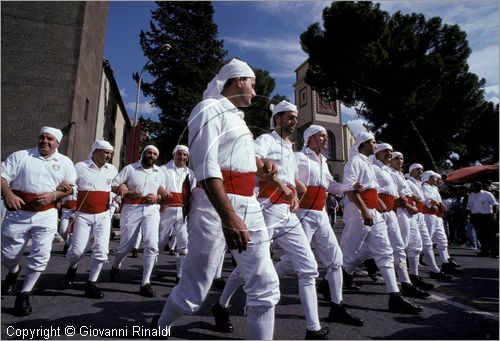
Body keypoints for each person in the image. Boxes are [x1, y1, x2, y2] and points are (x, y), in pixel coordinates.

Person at [153, 58, 280, 340]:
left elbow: (238, 161)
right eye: (253, 84)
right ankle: (159, 327)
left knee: (266, 284)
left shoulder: (238, 119)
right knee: (194, 292)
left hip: (249, 204)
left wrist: (263, 167)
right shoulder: (208, 109)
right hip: (214, 206)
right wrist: (228, 215)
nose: (254, 91)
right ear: (238, 80)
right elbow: (206, 166)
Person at [214, 101, 330, 339]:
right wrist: (278, 184)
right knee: (250, 266)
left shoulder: (290, 148)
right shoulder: (265, 141)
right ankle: (221, 305)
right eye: (289, 117)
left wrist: (296, 191)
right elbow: (254, 164)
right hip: (265, 212)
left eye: (295, 117)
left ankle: (313, 329)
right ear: (277, 119)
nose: (294, 121)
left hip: (287, 215)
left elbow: (291, 177)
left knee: (309, 268)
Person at [340, 132, 422, 314]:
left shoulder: (368, 164)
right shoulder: (354, 162)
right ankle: (330, 284)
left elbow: (374, 191)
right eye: (373, 142)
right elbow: (351, 190)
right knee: (349, 254)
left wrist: (376, 206)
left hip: (374, 213)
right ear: (363, 143)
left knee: (385, 251)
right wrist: (365, 210)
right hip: (360, 212)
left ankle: (395, 296)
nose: (375, 144)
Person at [1, 126, 77, 316]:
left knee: (41, 253)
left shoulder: (65, 162)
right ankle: (14, 270)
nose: (45, 141)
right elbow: (2, 177)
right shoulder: (21, 156)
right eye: (42, 137)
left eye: (49, 139)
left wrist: (55, 194)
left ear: (57, 143)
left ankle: (25, 293)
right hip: (18, 213)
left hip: (46, 214)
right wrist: (8, 194)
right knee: (7, 255)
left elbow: (70, 188)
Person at [109, 145, 167, 297]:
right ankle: (116, 265)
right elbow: (114, 185)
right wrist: (126, 190)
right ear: (143, 154)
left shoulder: (159, 172)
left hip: (151, 210)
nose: (151, 155)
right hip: (131, 209)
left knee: (152, 245)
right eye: (149, 152)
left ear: (156, 157)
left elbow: (161, 191)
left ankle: (145, 283)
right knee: (126, 245)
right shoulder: (130, 169)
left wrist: (158, 197)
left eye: (154, 153)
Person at [371, 145, 429, 298]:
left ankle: (408, 280)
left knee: (408, 245)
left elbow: (399, 193)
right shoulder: (377, 169)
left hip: (401, 212)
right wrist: (404, 203)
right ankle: (362, 265)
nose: (397, 159)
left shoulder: (395, 174)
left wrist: (407, 202)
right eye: (396, 157)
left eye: (400, 158)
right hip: (391, 212)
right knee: (386, 248)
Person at [63, 140, 118, 299]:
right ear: (95, 151)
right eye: (105, 152)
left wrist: (119, 193)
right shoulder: (80, 167)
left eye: (110, 153)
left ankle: (92, 283)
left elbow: (115, 187)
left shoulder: (112, 169)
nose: (108, 155)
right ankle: (73, 266)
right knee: (77, 251)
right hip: (83, 216)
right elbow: (71, 186)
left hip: (103, 215)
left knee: (102, 250)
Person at [407, 164, 452, 283]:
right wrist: (432, 202)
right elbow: (425, 200)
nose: (420, 171)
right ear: (411, 172)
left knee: (427, 243)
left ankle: (434, 270)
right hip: (414, 215)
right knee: (410, 244)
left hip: (421, 215)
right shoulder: (409, 182)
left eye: (421, 169)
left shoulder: (419, 184)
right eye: (417, 170)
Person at [158, 144, 195, 284]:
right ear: (174, 154)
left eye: (185, 155)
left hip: (182, 212)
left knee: (183, 244)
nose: (182, 157)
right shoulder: (163, 169)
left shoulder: (190, 173)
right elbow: (156, 183)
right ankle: (148, 270)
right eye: (179, 154)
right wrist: (160, 189)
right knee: (159, 244)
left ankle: (179, 276)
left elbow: (193, 192)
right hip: (166, 210)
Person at [421, 170, 460, 274]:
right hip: (428, 215)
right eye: (434, 177)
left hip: (437, 216)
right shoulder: (424, 187)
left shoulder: (434, 189)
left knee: (442, 240)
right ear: (427, 178)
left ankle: (445, 262)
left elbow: (436, 201)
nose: (437, 180)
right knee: (426, 241)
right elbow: (427, 199)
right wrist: (437, 203)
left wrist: (440, 204)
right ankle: (416, 262)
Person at [466, 181, 498, 257]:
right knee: (480, 235)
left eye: (473, 186)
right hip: (476, 217)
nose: (472, 188)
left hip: (486, 217)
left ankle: (494, 252)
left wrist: (494, 214)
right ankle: (484, 251)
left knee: (489, 235)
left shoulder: (487, 194)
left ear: (478, 187)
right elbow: (469, 207)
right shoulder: (471, 195)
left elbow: (494, 205)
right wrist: (466, 215)